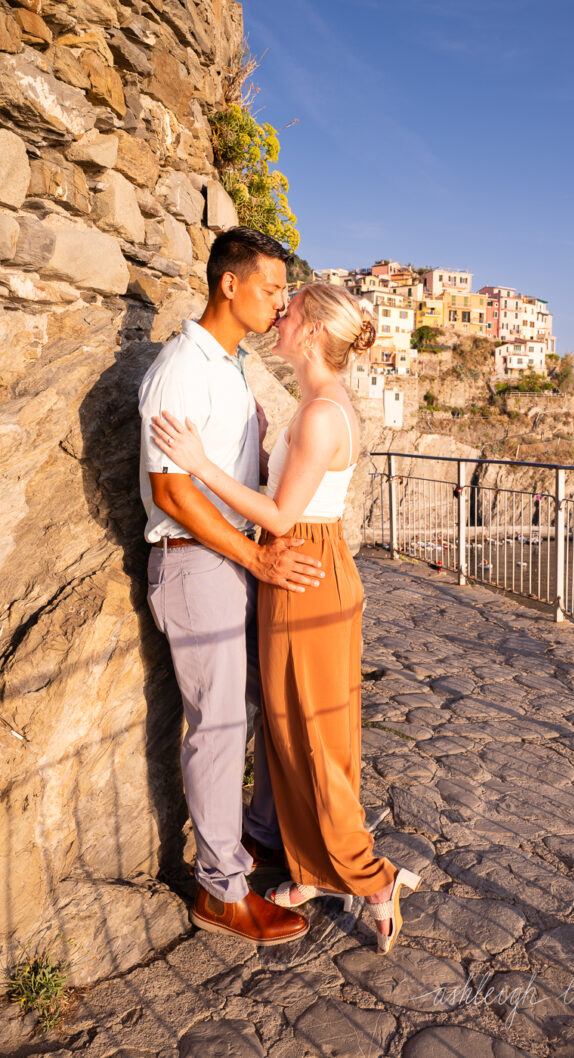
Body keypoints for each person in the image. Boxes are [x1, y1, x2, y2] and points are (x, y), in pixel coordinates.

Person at [151, 282, 421, 955]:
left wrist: (200, 464)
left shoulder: (321, 413)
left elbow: (277, 517)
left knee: (314, 737)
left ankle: (370, 876)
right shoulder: (315, 406)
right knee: (291, 728)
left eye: (290, 310)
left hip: (304, 571)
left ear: (309, 332)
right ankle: (312, 864)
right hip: (302, 568)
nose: (279, 314)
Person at [139, 227, 327, 947]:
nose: (281, 302)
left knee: (266, 703)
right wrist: (255, 560)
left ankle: (252, 839)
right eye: (272, 287)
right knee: (217, 727)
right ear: (229, 284)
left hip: (231, 559)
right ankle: (220, 890)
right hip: (195, 562)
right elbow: (172, 491)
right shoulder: (182, 367)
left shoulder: (227, 365)